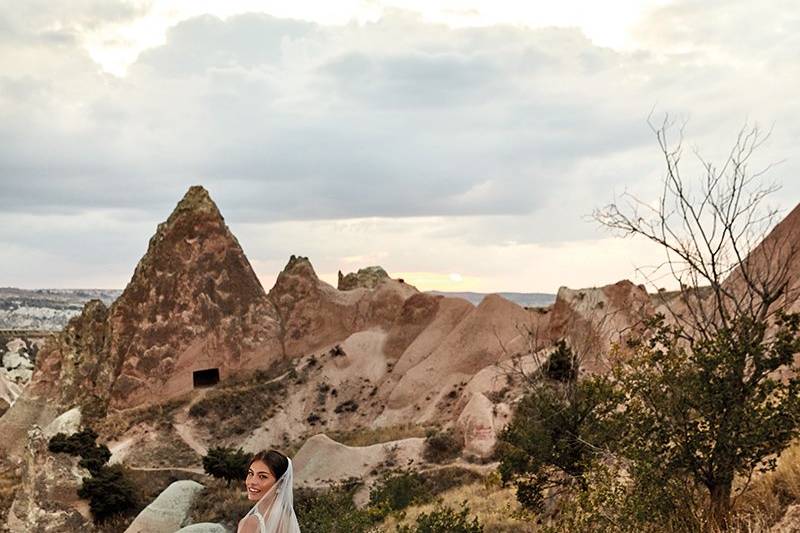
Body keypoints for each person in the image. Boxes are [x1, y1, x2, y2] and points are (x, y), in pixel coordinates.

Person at [237, 450, 300, 533]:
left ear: (280, 483)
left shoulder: (250, 524)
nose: (252, 482)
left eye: (262, 476)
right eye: (251, 473)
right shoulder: (287, 519)